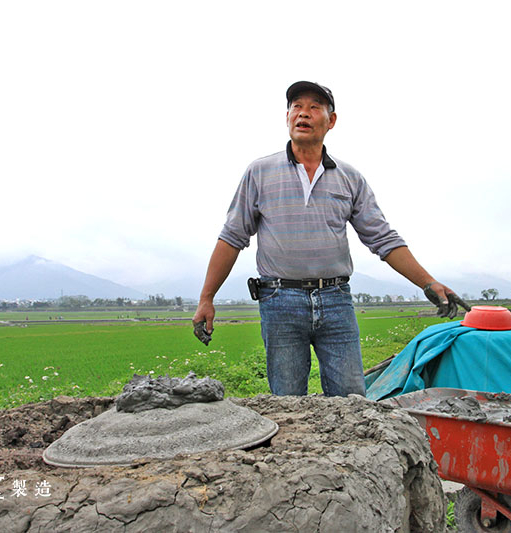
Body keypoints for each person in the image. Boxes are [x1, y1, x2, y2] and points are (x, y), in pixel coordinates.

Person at [192, 81, 469, 397]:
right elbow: (231, 237)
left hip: (336, 300)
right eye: (297, 106)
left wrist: (428, 282)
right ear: (287, 117)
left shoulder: (349, 178)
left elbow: (383, 238)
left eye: (314, 107)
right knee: (287, 401)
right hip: (280, 301)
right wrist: (206, 297)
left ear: (331, 120)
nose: (303, 114)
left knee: (352, 400)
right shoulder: (260, 172)